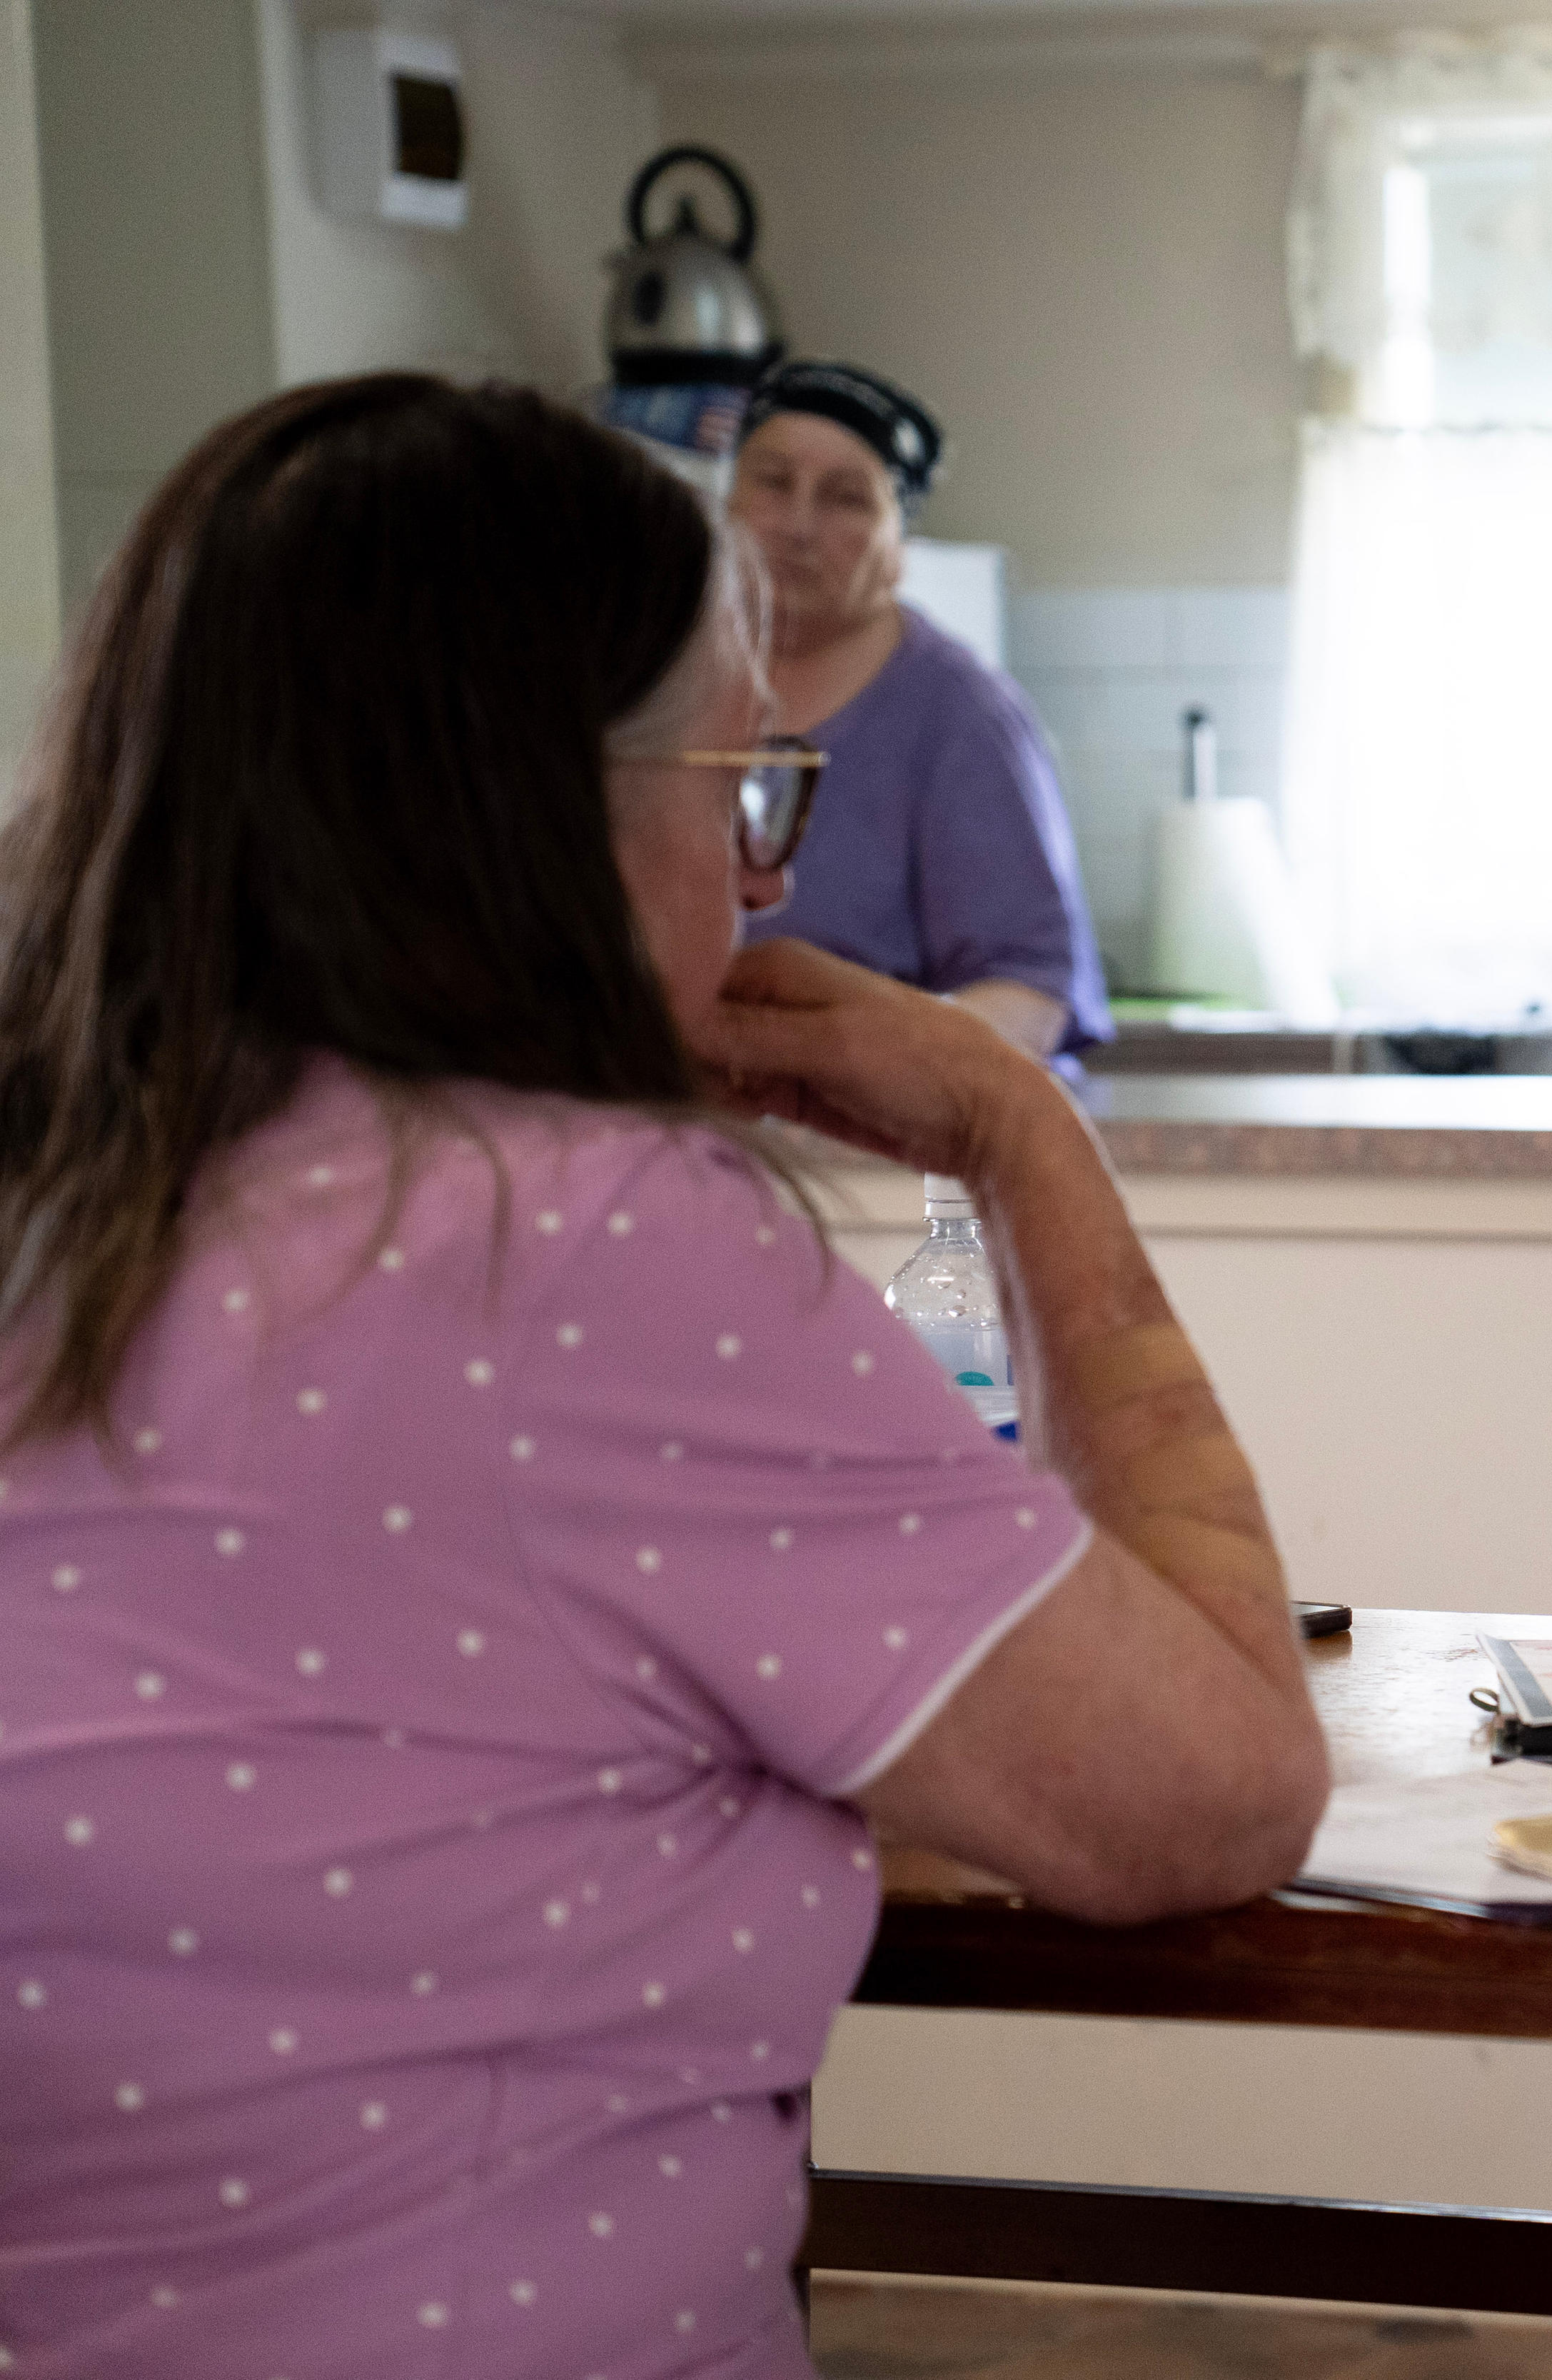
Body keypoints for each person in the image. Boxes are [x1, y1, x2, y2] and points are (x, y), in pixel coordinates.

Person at [0, 376, 1326, 2377]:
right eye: (743, 785)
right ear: (556, 806)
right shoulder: (587, 1241)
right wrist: (1012, 1129)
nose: (765, 873)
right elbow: (1209, 1790)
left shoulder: (63, 1187)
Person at [725, 358, 1110, 1068]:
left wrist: (827, 1061)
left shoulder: (961, 719)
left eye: (846, 498)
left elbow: (1029, 994)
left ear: (899, 545)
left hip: (868, 1145)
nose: (797, 525)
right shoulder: (649, 686)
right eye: (772, 482)